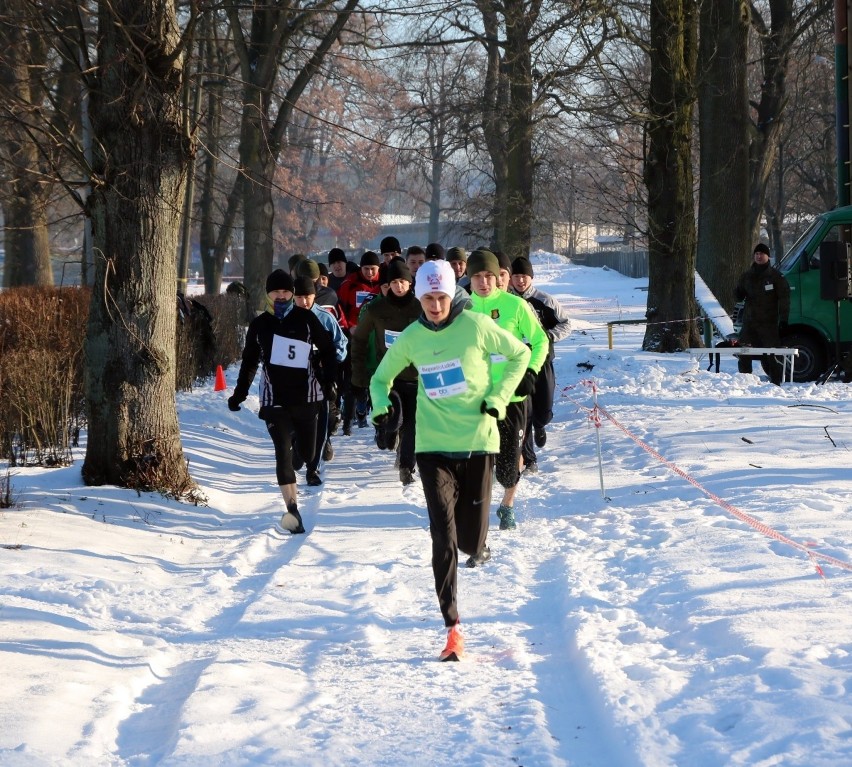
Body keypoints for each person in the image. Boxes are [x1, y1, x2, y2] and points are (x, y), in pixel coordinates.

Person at [369, 260, 530, 661]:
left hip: (478, 441)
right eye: (428, 298)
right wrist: (379, 408)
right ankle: (452, 628)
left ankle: (478, 544)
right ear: (419, 297)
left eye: (441, 297)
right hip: (433, 447)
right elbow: (379, 378)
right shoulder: (412, 336)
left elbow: (519, 355)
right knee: (442, 538)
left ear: (452, 295)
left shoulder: (475, 325)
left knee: (472, 541)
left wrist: (498, 397)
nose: (435, 305)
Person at [227, 269, 338, 534]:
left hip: (306, 397)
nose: (282, 295)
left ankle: (302, 451)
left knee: (308, 454)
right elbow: (250, 362)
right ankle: (292, 510)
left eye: (286, 291)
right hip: (274, 399)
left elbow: (328, 350)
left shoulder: (306, 318)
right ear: (267, 294)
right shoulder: (260, 324)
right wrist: (239, 394)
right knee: (282, 454)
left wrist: (329, 381)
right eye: (276, 291)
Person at [467, 248, 549, 531]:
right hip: (475, 398)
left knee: (508, 465)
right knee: (477, 460)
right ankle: (476, 508)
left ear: (499, 277)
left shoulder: (516, 306)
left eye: (489, 276)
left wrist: (531, 371)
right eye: (476, 276)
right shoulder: (460, 308)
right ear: (469, 278)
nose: (484, 282)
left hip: (512, 396)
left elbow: (540, 342)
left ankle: (507, 504)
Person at [351, 258, 421, 485]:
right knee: (394, 420)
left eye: (403, 282)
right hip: (388, 377)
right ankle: (385, 431)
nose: (399, 286)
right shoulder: (375, 309)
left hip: (415, 376)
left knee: (412, 424)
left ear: (410, 283)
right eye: (394, 282)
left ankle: (406, 466)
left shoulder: (421, 307)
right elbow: (360, 340)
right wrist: (359, 375)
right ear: (387, 285)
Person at [509, 256, 573, 472]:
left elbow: (566, 324)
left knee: (543, 409)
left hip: (543, 360)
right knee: (523, 410)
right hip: (517, 364)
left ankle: (540, 425)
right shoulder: (506, 302)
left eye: (524, 276)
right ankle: (529, 458)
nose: (520, 281)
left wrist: (549, 337)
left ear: (531, 278)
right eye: (516, 276)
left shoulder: (544, 301)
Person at [293, 276, 348, 470]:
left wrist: (332, 361)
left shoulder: (325, 317)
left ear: (315, 295)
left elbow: (341, 344)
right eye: (299, 297)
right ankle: (298, 445)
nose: (304, 301)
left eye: (308, 296)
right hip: (297, 378)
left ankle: (321, 447)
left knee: (325, 417)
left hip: (322, 375)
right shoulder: (288, 317)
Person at [734, 243, 791, 386]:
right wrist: (738, 293)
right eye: (757, 254)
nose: (759, 256)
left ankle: (776, 384)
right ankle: (745, 383)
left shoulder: (776, 276)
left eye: (762, 254)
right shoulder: (747, 276)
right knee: (744, 352)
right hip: (750, 322)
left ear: (768, 256)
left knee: (772, 355)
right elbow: (738, 295)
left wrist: (783, 319)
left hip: (768, 324)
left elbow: (784, 298)